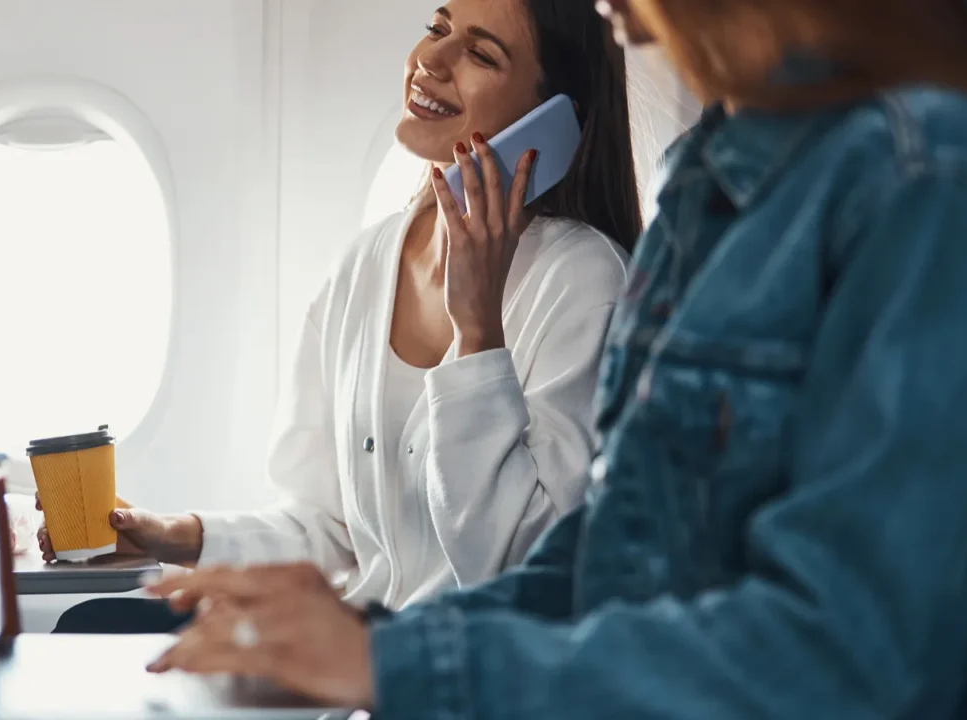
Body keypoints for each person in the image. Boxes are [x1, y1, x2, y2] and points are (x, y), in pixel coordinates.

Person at [140, 0, 967, 717]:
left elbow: (853, 655)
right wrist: (376, 644)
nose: (435, 59)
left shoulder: (927, 174)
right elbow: (608, 562)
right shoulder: (701, 188)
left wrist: (400, 667)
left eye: (481, 51)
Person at [44, 0, 642, 633]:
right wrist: (174, 537)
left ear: (553, 119)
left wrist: (478, 334)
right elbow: (325, 528)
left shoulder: (582, 280)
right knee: (90, 626)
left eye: (480, 53)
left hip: (466, 666)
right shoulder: (366, 261)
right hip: (359, 646)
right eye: (438, 28)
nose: (430, 60)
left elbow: (519, 566)